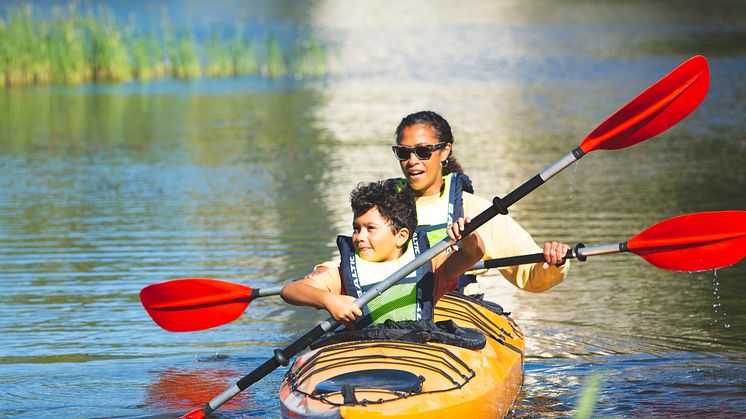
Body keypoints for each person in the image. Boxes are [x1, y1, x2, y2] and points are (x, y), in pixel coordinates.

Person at [309, 110, 570, 295]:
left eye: (423, 152)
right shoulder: (382, 208)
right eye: (403, 153)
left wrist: (554, 262)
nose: (412, 161)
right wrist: (323, 275)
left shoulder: (473, 209)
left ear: (445, 151)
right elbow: (359, 256)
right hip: (394, 305)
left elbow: (532, 276)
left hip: (458, 307)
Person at [281, 180, 484, 328]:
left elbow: (472, 255)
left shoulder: (431, 266)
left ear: (401, 236)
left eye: (370, 228)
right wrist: (328, 300)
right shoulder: (343, 272)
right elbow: (290, 290)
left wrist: (468, 237)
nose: (359, 237)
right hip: (364, 359)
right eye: (356, 228)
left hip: (417, 356)